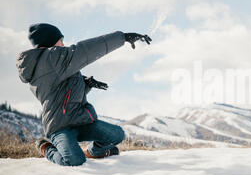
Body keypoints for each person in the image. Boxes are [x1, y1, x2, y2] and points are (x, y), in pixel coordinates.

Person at [16, 23, 152, 166]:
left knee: (117, 134)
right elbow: (86, 50)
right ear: (48, 42)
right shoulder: (52, 58)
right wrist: (122, 37)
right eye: (60, 39)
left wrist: (86, 84)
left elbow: (61, 91)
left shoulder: (51, 64)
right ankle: (46, 148)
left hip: (80, 122)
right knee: (74, 160)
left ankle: (94, 152)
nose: (63, 43)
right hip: (60, 127)